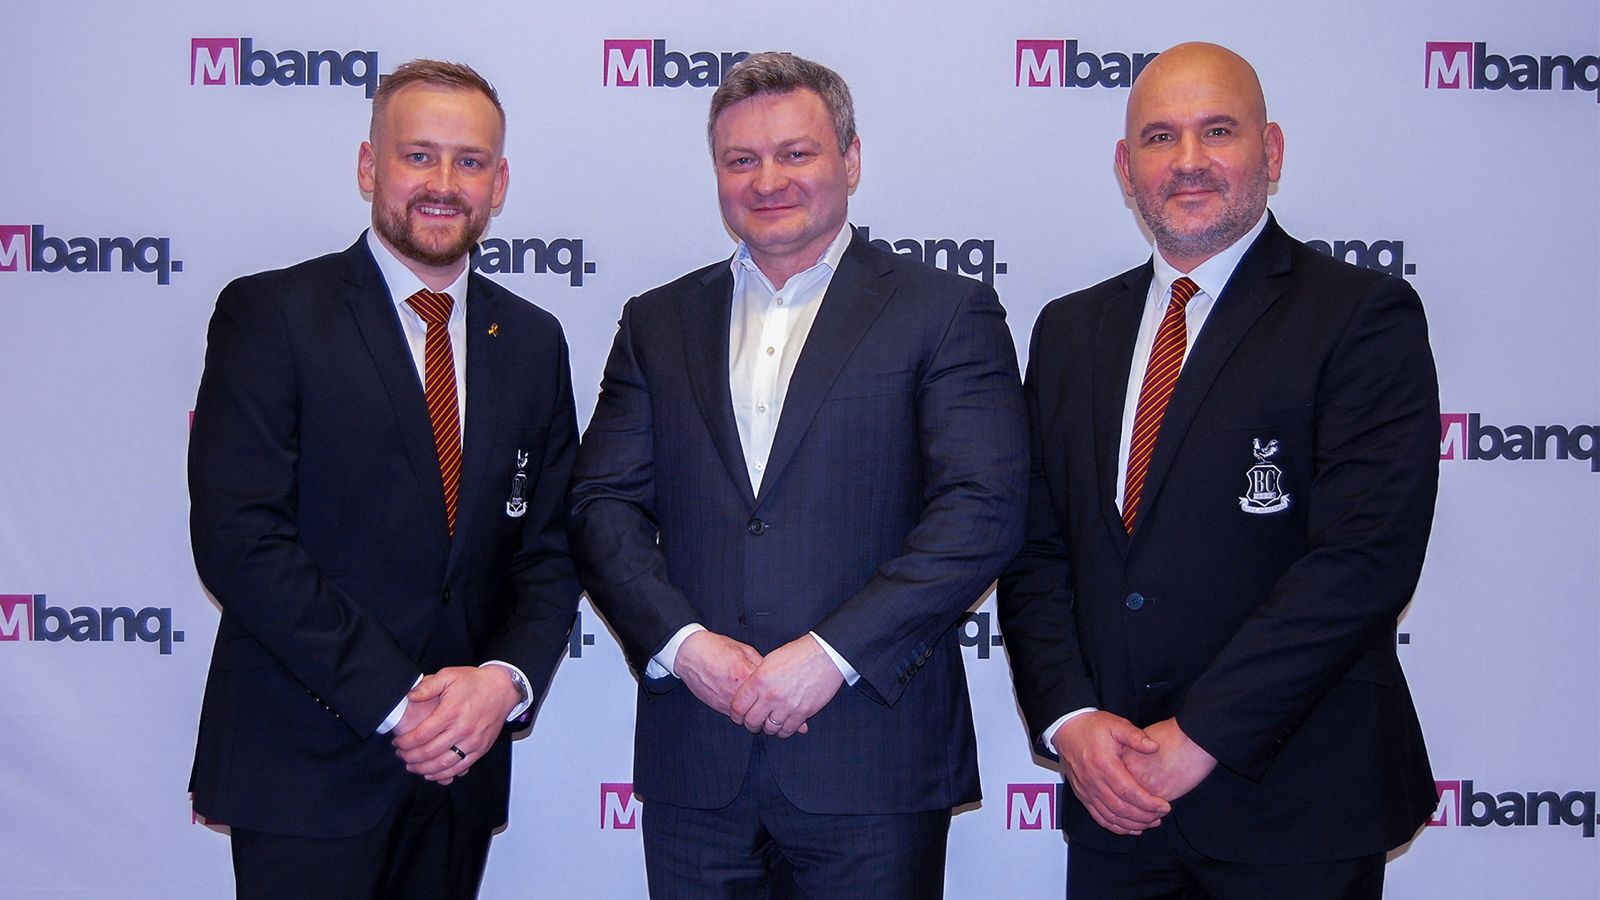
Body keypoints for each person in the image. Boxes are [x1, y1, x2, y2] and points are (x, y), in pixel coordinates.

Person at [570, 51, 1027, 897]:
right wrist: (686, 648)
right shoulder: (656, 321)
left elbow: (983, 510)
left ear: (850, 160)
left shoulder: (943, 311)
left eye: (796, 153)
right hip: (697, 760)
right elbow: (602, 506)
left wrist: (830, 655)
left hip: (872, 760)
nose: (768, 180)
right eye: (741, 159)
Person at [997, 42, 1439, 898]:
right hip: (1116, 806)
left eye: (1218, 131)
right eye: (1160, 137)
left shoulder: (1360, 316)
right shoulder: (1069, 331)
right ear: (1126, 167)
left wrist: (1201, 735)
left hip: (1296, 805)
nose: (1189, 160)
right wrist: (1072, 720)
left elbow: (1364, 559)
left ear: (1271, 151)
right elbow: (1035, 552)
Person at [188, 59, 580, 899]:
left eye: (470, 161)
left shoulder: (534, 342)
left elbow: (550, 552)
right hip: (304, 769)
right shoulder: (272, 316)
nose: (444, 184)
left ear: (499, 184)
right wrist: (402, 701)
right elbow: (240, 541)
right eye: (418, 155)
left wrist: (502, 684)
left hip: (458, 775)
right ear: (370, 167)